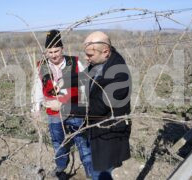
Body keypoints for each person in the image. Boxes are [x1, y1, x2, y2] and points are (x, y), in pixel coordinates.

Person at [47, 31, 132, 180]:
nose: (86, 58)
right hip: (96, 129)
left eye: (90, 55)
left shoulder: (119, 75)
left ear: (105, 51)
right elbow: (85, 76)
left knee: (101, 172)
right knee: (97, 168)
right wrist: (63, 82)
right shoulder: (101, 62)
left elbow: (97, 108)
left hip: (108, 135)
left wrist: (62, 107)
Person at [31, 29, 94, 178]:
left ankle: (91, 172)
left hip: (74, 111)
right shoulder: (42, 66)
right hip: (53, 114)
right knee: (58, 142)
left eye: (56, 51)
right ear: (46, 52)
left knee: (83, 143)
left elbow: (85, 85)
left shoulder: (75, 62)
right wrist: (35, 108)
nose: (53, 55)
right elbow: (37, 88)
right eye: (50, 52)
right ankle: (61, 167)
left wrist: (84, 108)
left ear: (62, 49)